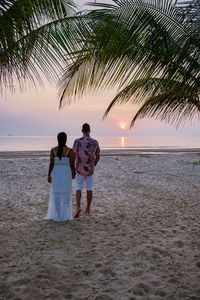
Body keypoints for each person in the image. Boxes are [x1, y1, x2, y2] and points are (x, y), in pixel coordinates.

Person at [44, 132, 75, 221]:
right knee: (66, 194)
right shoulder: (70, 151)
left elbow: (51, 164)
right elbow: (72, 164)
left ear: (57, 139)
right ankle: (65, 215)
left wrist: (49, 175)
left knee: (56, 194)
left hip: (56, 173)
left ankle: (57, 215)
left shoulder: (53, 150)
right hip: (66, 173)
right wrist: (74, 173)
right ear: (66, 139)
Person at [73, 123, 100, 218]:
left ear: (82, 131)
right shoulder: (95, 142)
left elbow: (74, 155)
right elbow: (98, 156)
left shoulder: (77, 141)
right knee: (89, 188)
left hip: (80, 168)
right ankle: (88, 208)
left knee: (78, 188)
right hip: (90, 169)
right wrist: (94, 165)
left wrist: (73, 166)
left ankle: (78, 207)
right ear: (89, 131)